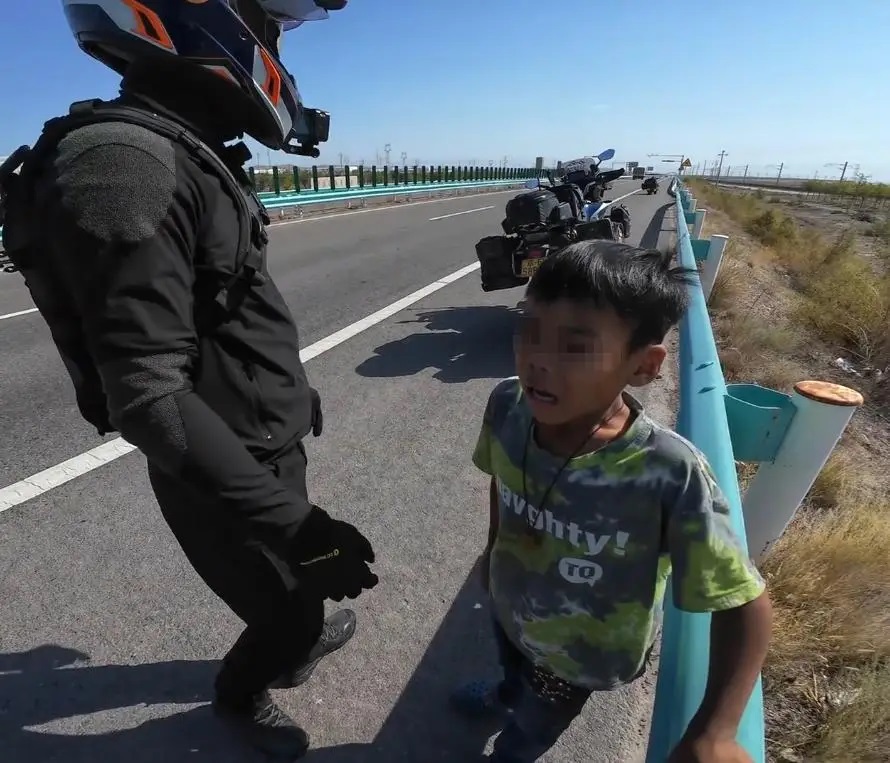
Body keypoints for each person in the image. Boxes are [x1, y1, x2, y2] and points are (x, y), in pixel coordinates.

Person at [0, 1, 376, 758]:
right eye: (269, 26)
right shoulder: (122, 161)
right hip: (213, 459)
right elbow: (149, 394)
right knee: (291, 609)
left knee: (290, 588)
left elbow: (224, 310)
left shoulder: (177, 143)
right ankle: (243, 692)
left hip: (258, 436)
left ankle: (289, 617)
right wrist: (298, 528)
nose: (274, 48)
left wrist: (290, 399)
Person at [451, 241, 773, 763]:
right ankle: (504, 694)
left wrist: (715, 731)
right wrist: (492, 553)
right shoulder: (507, 404)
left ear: (643, 366)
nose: (537, 361)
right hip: (512, 607)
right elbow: (501, 482)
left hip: (580, 656)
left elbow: (744, 602)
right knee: (511, 667)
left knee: (532, 730)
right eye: (528, 332)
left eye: (574, 347)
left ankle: (512, 745)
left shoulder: (667, 472)